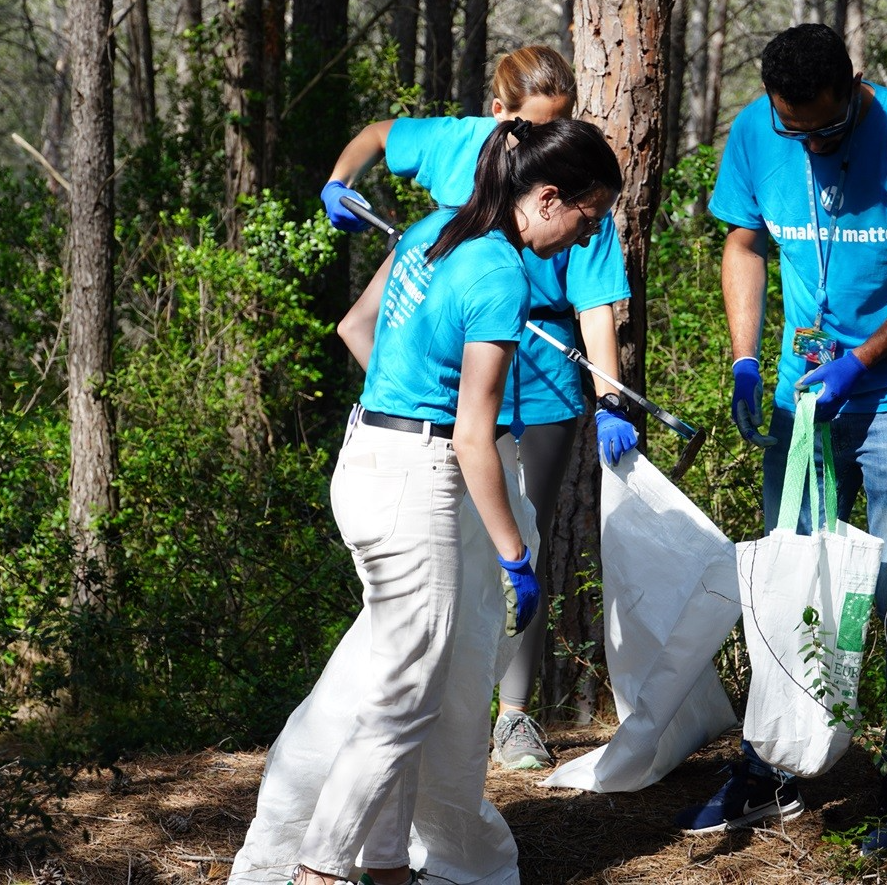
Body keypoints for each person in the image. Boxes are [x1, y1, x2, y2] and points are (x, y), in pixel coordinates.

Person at [232, 118, 623, 885]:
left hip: (369, 456)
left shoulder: (435, 228)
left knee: (415, 674)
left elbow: (356, 325)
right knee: (405, 701)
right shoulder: (501, 278)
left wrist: (408, 401)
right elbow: (476, 441)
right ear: (548, 199)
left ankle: (387, 866)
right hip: (417, 483)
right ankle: (321, 870)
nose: (587, 237)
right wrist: (514, 554)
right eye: (589, 215)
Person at [674, 23, 887, 860]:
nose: (805, 141)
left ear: (854, 84)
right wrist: (744, 357)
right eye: (790, 126)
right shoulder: (753, 134)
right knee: (788, 579)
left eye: (823, 127)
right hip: (803, 400)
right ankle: (774, 767)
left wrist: (866, 359)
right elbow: (743, 240)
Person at [326, 45, 636, 772]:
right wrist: (422, 399)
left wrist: (610, 396)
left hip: (541, 386)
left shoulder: (576, 201)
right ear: (499, 117)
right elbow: (378, 139)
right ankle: (440, 715)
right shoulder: (459, 194)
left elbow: (595, 301)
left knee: (515, 541)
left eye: (558, 126)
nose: (541, 143)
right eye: (532, 128)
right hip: (450, 414)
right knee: (456, 562)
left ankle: (513, 714)